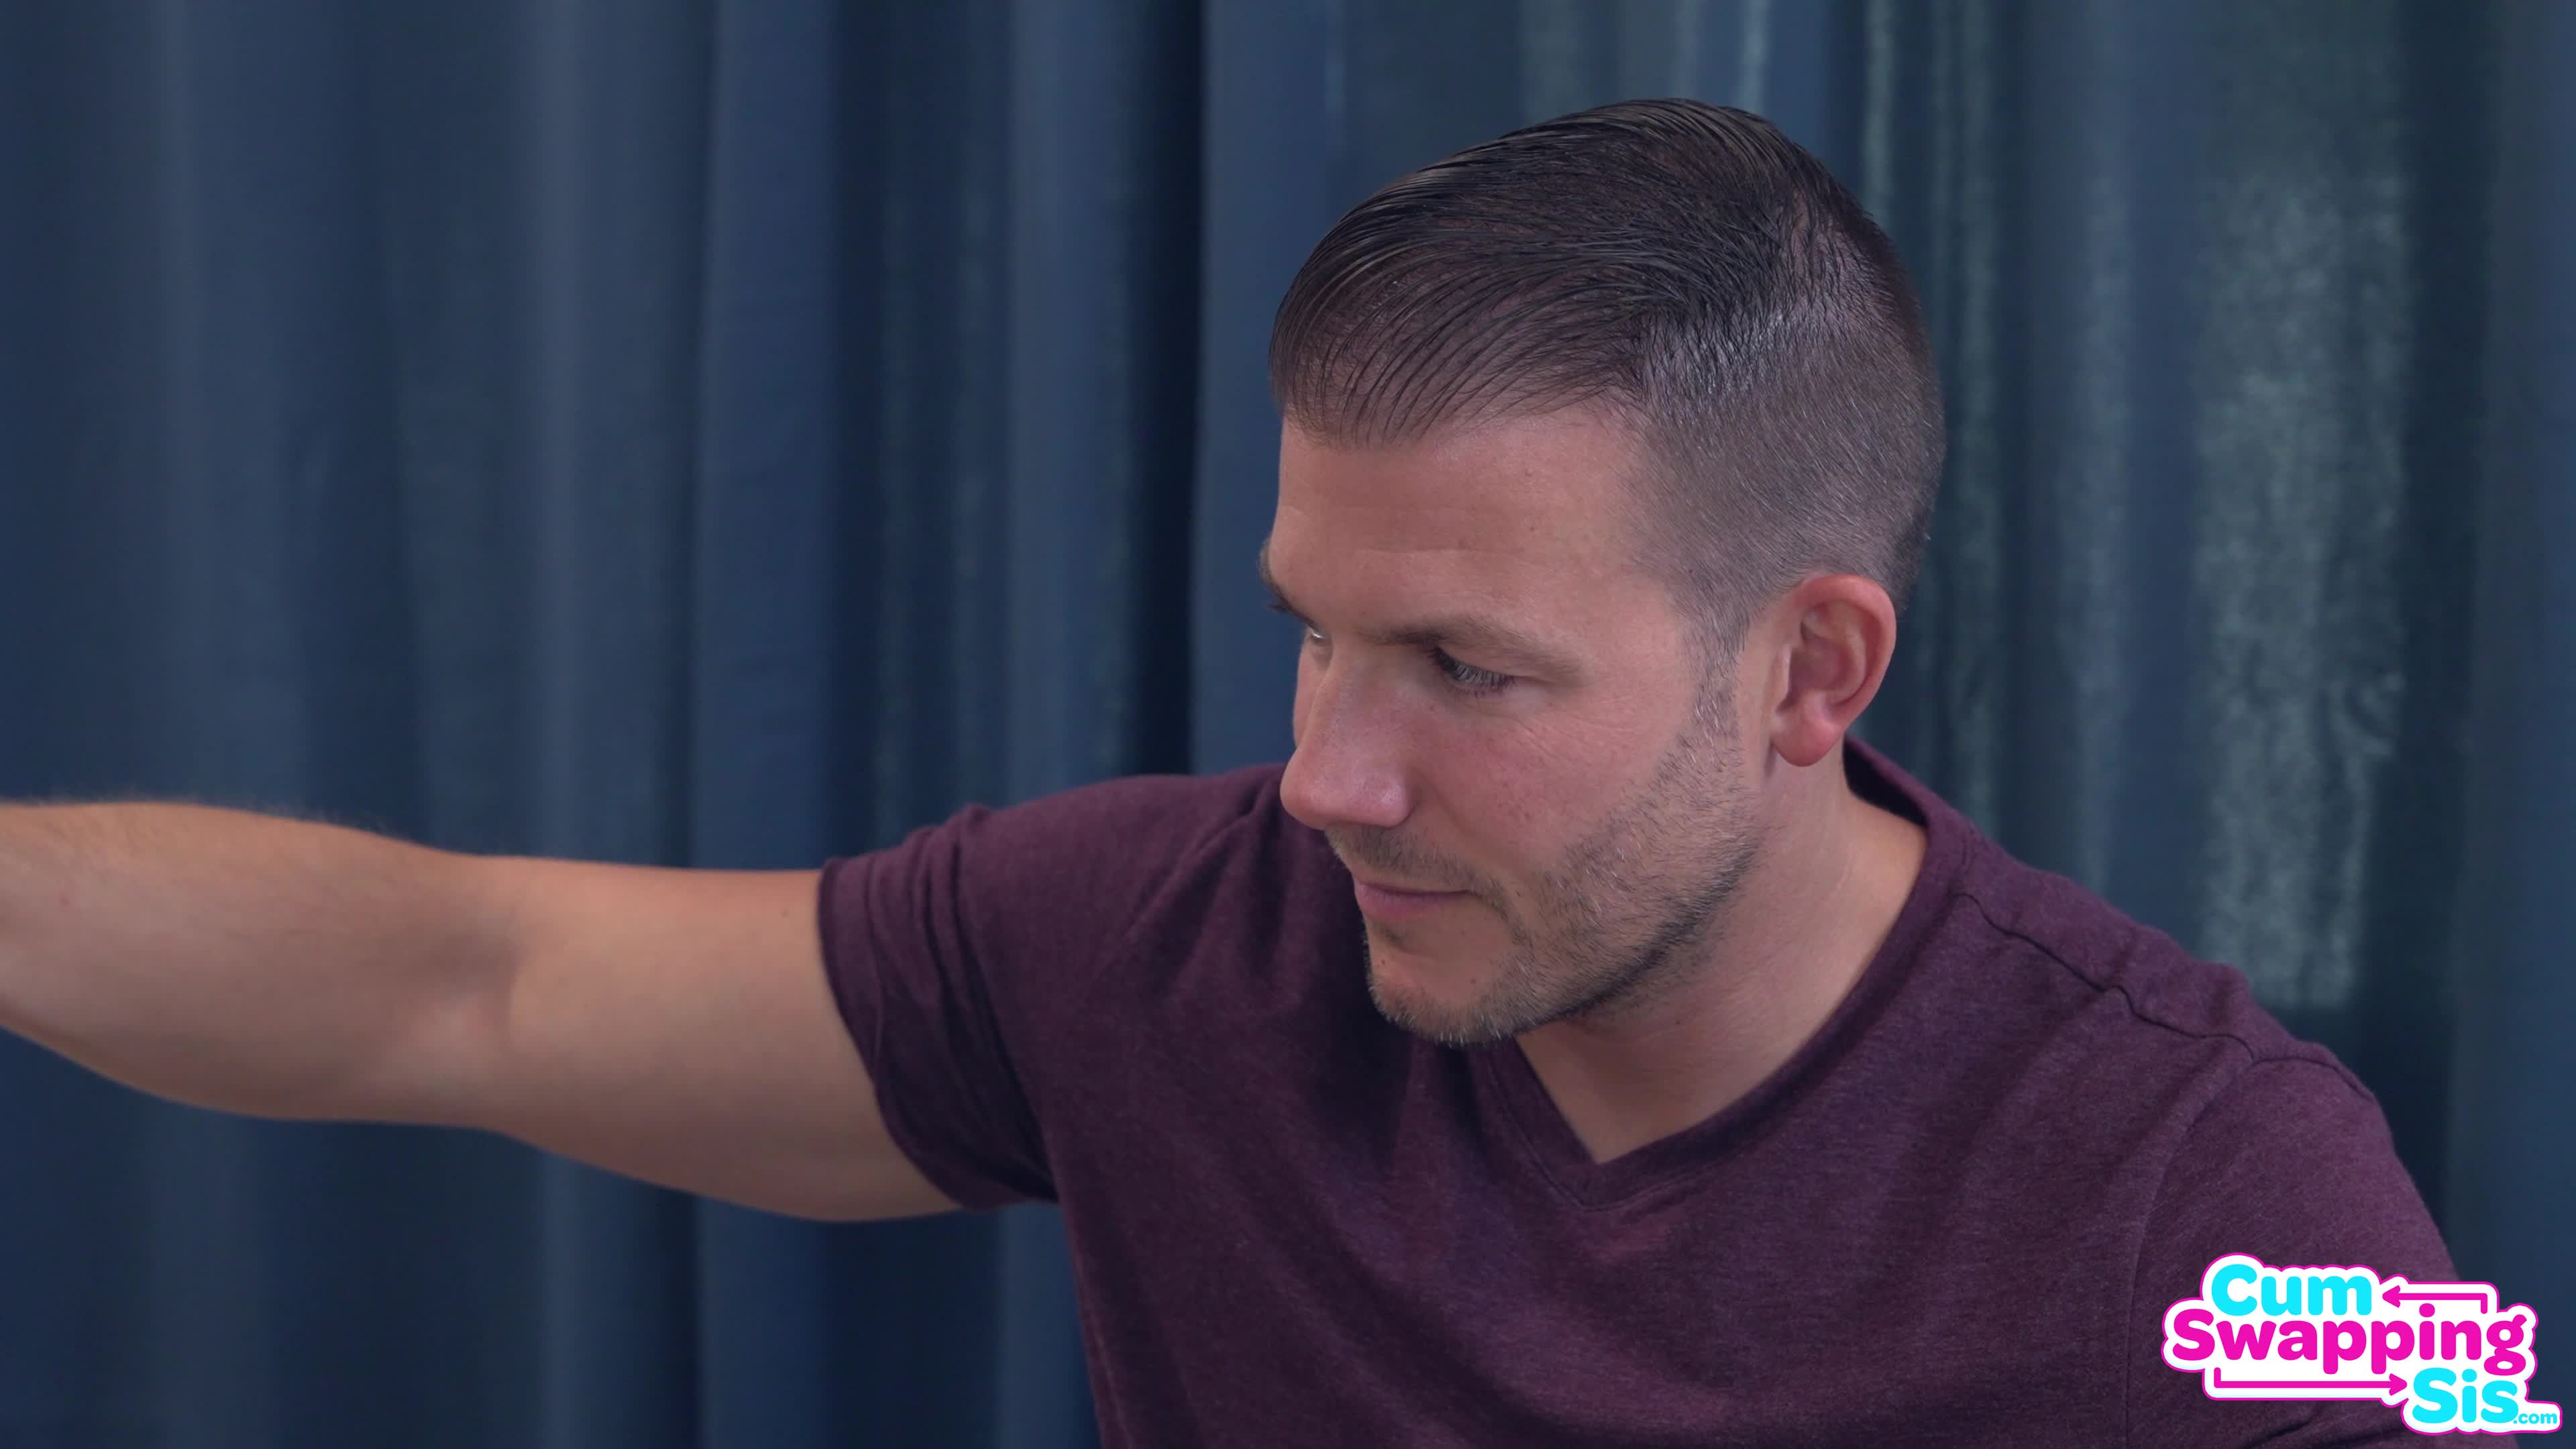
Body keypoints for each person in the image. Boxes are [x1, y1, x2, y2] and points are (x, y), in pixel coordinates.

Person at [0, 99, 2451, 1446]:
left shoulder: (2235, 1184)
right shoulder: (1175, 948)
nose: (1329, 783)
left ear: (1809, 670)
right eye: (1314, 634)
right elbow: (465, 979)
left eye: (1466, 669)